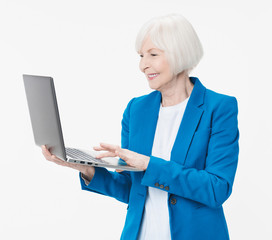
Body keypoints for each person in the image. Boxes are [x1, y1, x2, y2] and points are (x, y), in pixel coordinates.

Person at [41, 13, 239, 240]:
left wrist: (148, 164)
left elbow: (217, 189)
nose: (143, 65)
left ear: (181, 53)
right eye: (141, 56)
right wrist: (84, 168)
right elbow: (131, 188)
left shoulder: (219, 108)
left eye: (153, 55)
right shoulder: (136, 110)